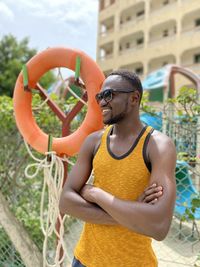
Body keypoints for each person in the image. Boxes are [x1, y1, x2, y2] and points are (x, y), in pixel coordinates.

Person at [59, 70, 176, 267]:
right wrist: (132, 215)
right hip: (84, 259)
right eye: (99, 96)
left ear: (134, 98)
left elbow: (158, 226)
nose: (102, 102)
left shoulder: (158, 146)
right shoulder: (94, 142)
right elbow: (66, 202)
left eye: (109, 95)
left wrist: (95, 193)